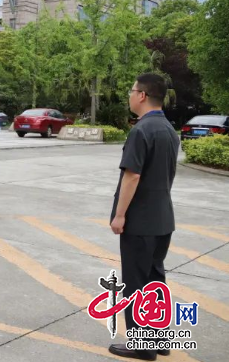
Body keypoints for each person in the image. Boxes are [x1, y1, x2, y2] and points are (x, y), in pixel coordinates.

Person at [107, 74, 179, 361]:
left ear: (142, 95)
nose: (129, 95)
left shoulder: (142, 131)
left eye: (131, 90)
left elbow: (132, 175)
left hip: (140, 221)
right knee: (155, 281)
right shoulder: (169, 130)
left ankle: (141, 344)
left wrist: (120, 214)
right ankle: (158, 337)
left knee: (136, 282)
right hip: (162, 218)